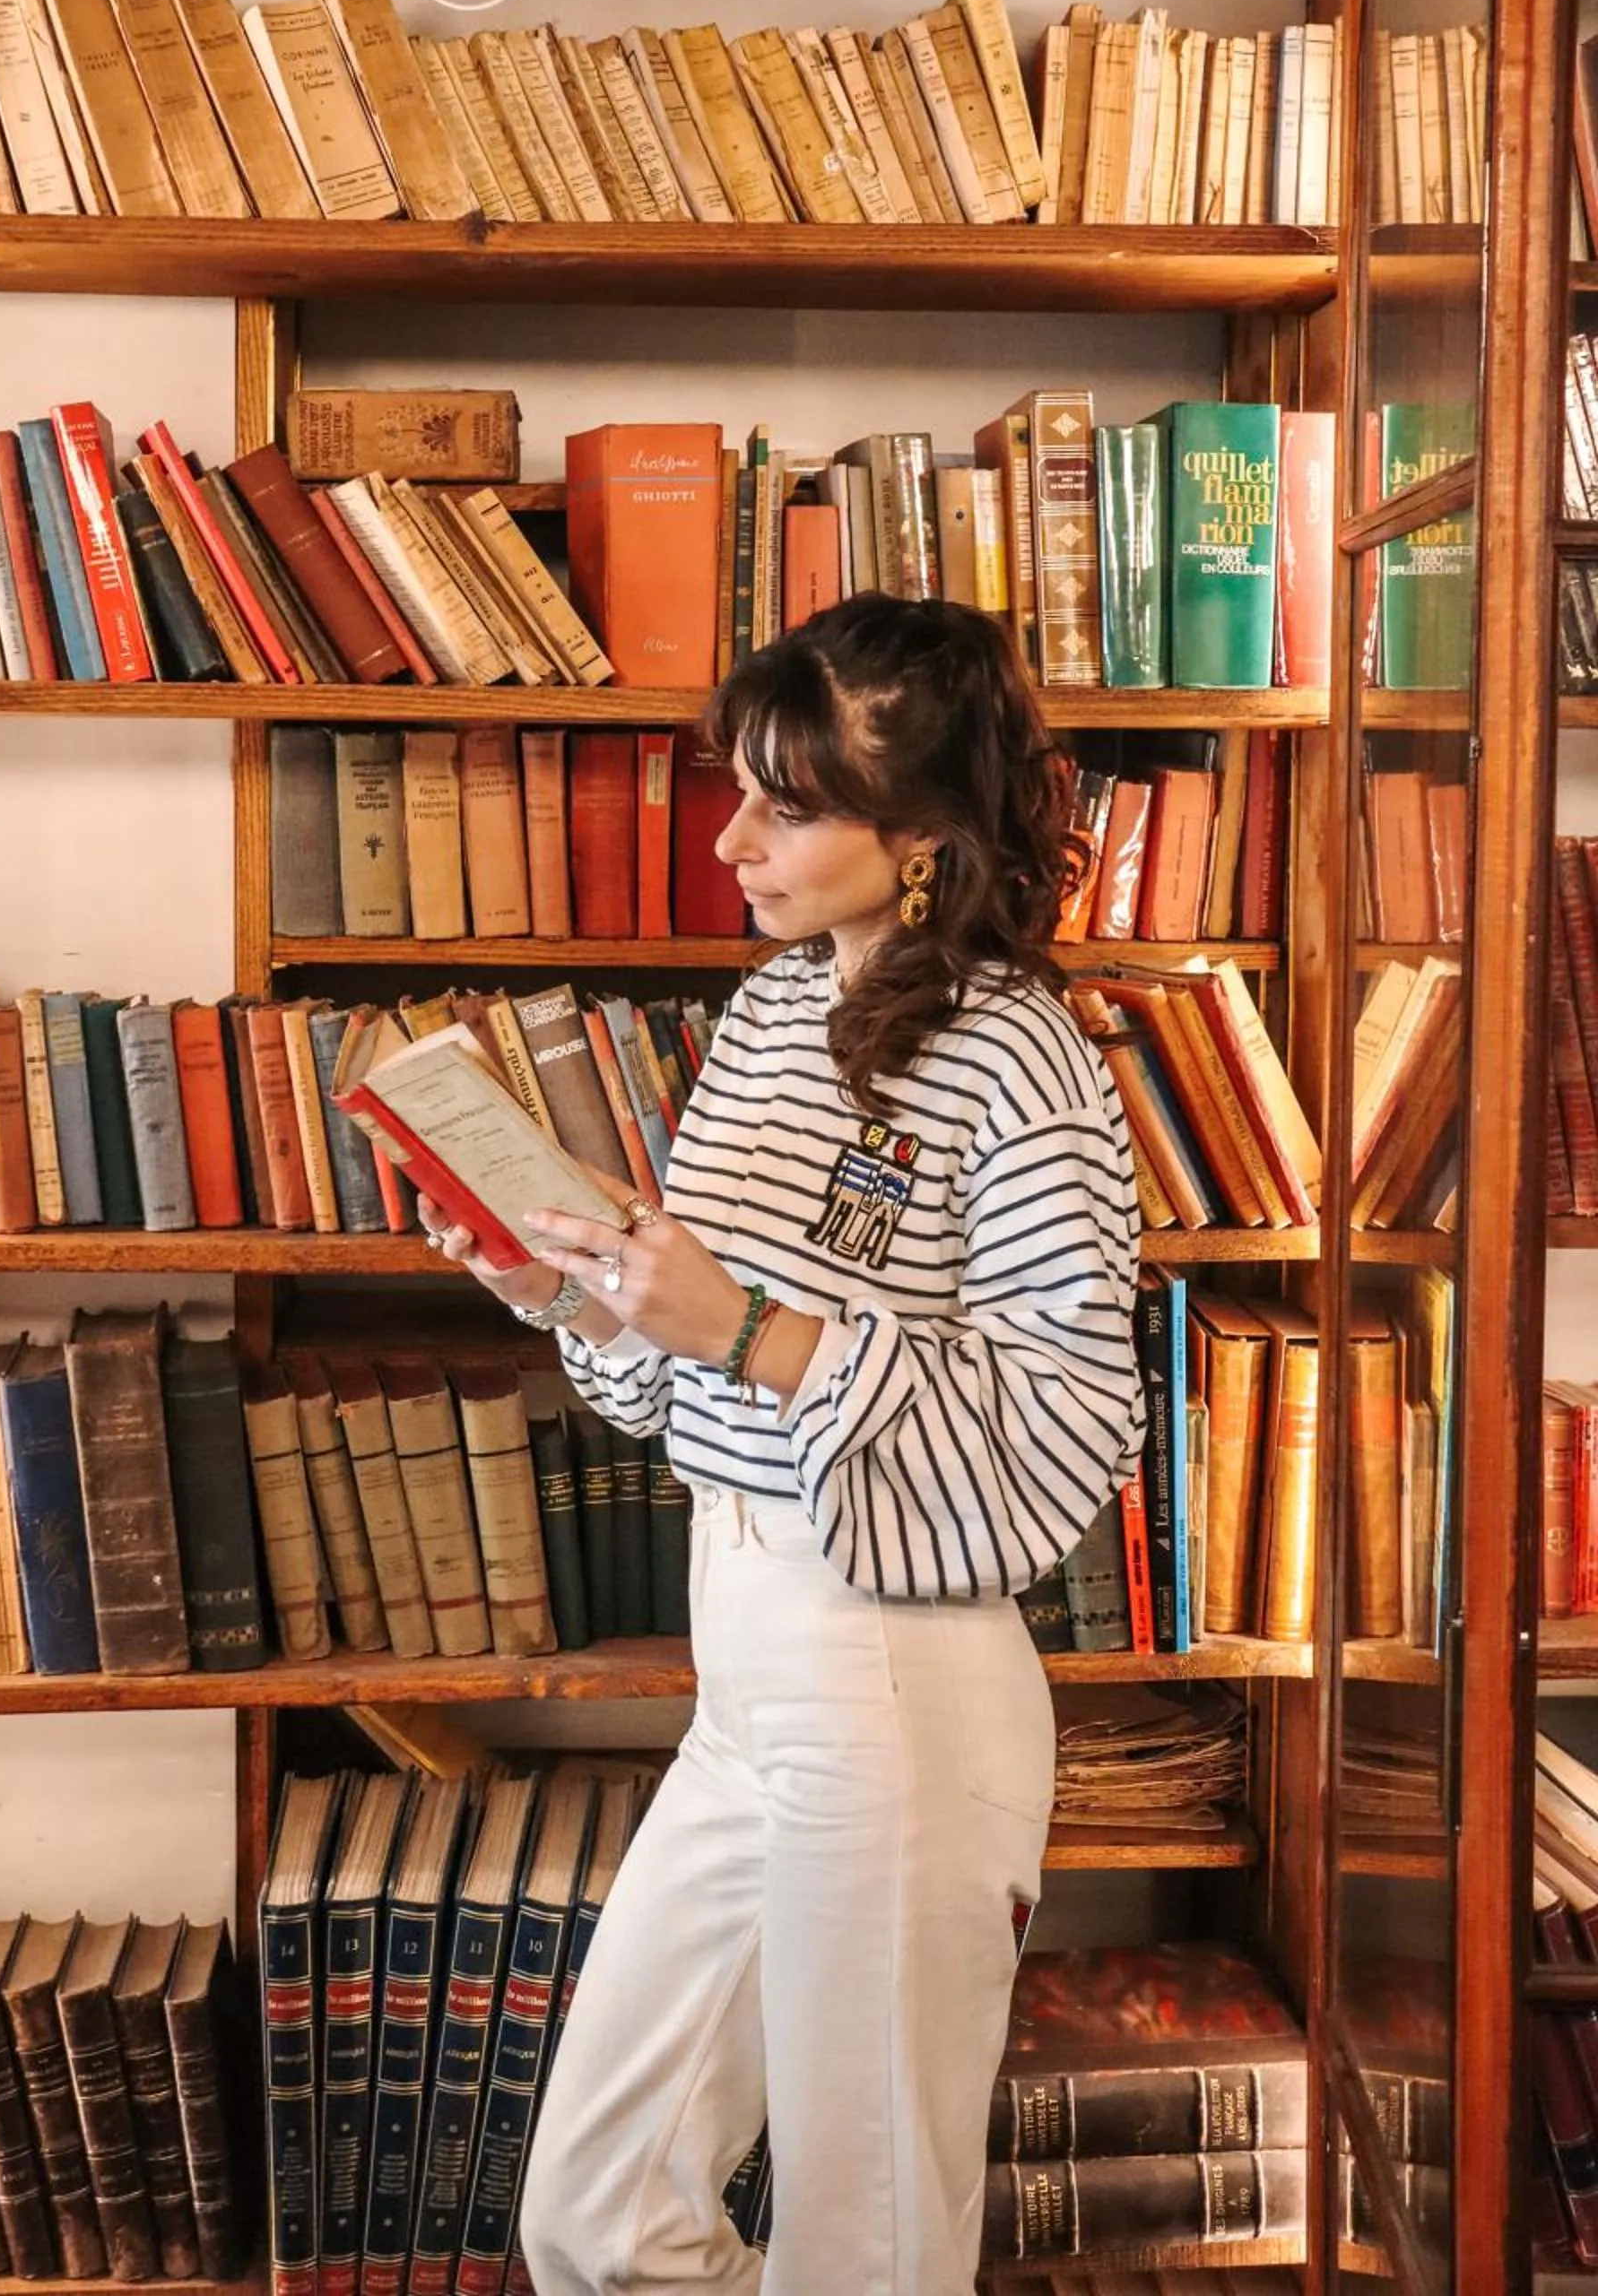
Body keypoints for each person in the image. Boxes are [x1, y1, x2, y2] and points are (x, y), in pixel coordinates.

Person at [418, 593, 1144, 2296]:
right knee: (594, 2217)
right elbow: (698, 1390)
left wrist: (748, 1327)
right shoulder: (764, 1020)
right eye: (735, 790)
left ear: (924, 841)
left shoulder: (1026, 1064)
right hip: (741, 1680)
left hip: (897, 1687)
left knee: (871, 2250)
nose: (731, 838)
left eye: (786, 805)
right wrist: (576, 1290)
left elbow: (1069, 1429)